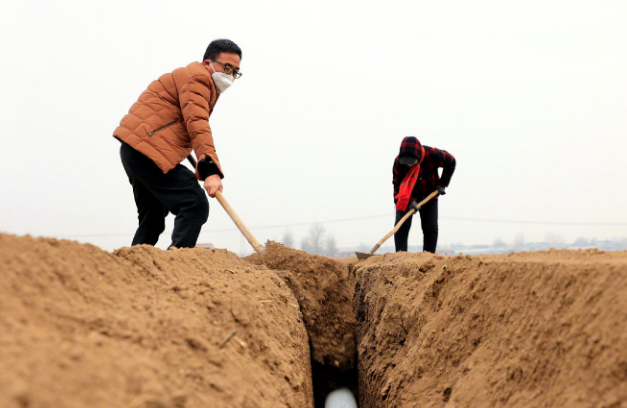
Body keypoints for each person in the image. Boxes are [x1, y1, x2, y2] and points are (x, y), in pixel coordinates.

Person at [113, 39, 242, 248]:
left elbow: (186, 121)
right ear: (208, 63)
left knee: (153, 219)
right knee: (195, 203)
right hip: (149, 151)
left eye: (236, 71)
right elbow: (197, 124)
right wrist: (209, 169)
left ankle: (130, 270)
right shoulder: (198, 78)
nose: (230, 75)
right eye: (226, 68)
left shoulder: (195, 80)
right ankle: (178, 263)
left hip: (135, 150)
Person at [392, 136, 456, 253]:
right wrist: (411, 201)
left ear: (418, 156)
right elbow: (397, 186)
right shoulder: (398, 163)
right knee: (401, 227)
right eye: (406, 163)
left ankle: (428, 259)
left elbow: (451, 162)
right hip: (406, 196)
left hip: (429, 194)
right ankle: (400, 259)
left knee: (430, 228)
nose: (409, 165)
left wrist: (442, 184)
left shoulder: (433, 154)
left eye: (411, 162)